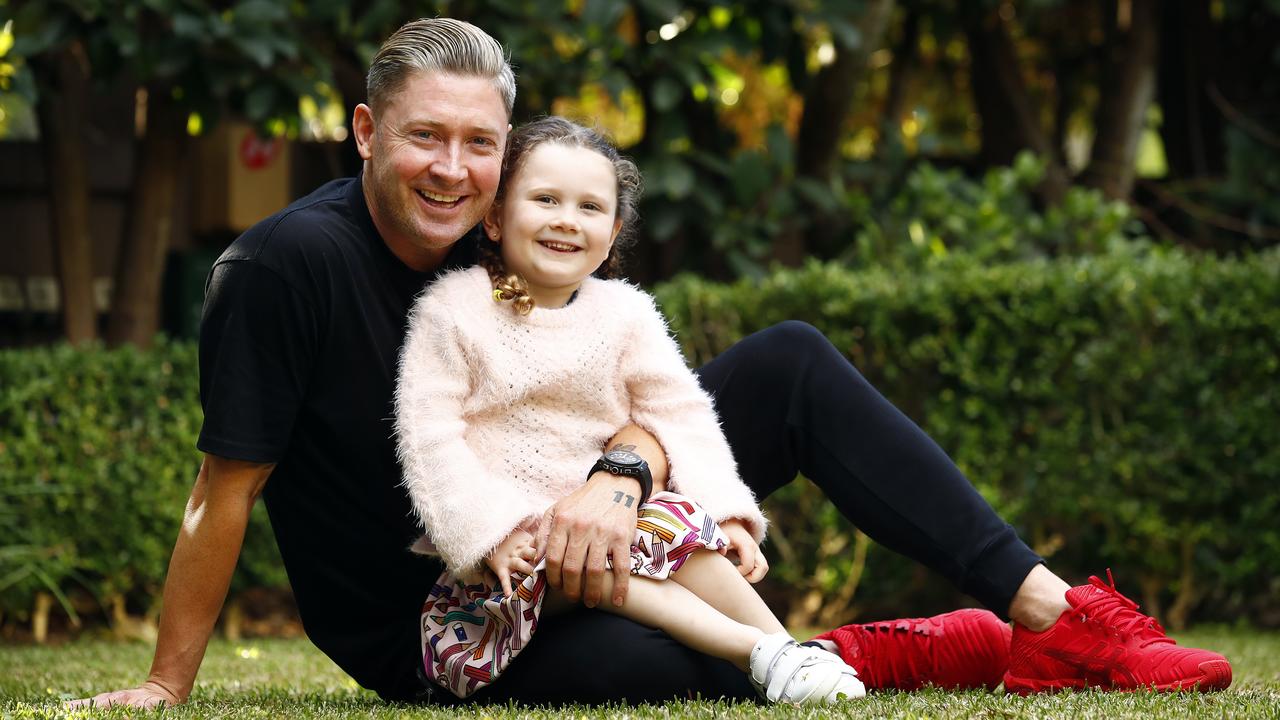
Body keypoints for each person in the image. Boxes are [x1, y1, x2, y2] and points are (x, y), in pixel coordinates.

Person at [72, 17, 1231, 710]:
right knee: (642, 655)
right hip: (437, 612)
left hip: (585, 519)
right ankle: (917, 649)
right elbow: (221, 492)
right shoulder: (286, 269)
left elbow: (628, 390)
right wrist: (168, 687)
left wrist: (619, 475)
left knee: (786, 362)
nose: (449, 167)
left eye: (479, 143)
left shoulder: (506, 234)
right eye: (422, 136)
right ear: (366, 132)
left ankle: (1055, 614)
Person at [397, 115, 876, 703]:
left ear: (614, 230)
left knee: (659, 527)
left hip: (609, 533)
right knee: (604, 546)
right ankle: (761, 653)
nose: (566, 220)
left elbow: (681, 414)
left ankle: (789, 658)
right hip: (501, 574)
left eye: (590, 208)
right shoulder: (453, 311)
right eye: (545, 199)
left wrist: (725, 514)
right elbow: (430, 438)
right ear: (495, 217)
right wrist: (487, 534)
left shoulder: (626, 314)